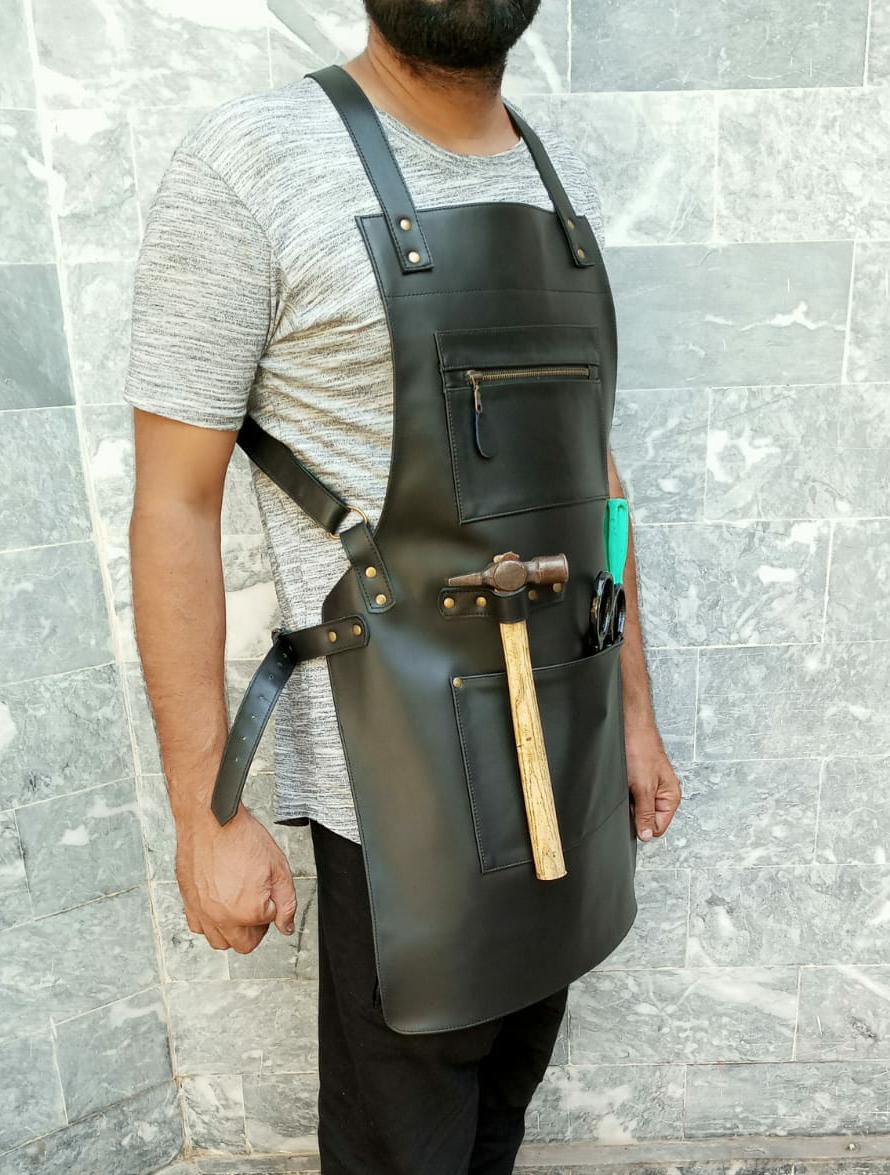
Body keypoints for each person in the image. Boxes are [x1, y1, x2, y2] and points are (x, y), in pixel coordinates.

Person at [124, 1, 682, 1171]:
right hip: (395, 774)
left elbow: (593, 476)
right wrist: (205, 816)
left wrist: (633, 713)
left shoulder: (554, 173)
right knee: (404, 1137)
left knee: (507, 1089)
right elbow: (174, 503)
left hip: (566, 740)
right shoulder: (248, 165)